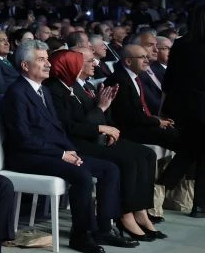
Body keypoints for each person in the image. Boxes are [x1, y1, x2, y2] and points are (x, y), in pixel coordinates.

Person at [0, 41, 133, 253]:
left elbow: (58, 130)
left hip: (50, 152)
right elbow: (22, 139)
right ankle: (81, 236)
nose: (48, 64)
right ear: (25, 66)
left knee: (109, 169)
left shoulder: (41, 90)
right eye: (41, 60)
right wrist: (61, 154)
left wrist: (71, 152)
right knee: (81, 175)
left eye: (47, 59)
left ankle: (104, 229)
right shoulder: (17, 93)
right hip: (26, 156)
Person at [45, 48, 163, 240]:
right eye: (89, 61)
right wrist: (101, 120)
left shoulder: (81, 86)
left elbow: (99, 115)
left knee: (147, 155)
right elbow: (71, 126)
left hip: (92, 136)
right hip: (77, 142)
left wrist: (106, 121)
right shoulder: (56, 89)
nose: (96, 64)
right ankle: (124, 216)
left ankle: (139, 210)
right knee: (126, 161)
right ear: (73, 65)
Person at [161, 7, 205, 216]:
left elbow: (169, 79)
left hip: (181, 105)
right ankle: (199, 204)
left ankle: (161, 186)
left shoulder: (180, 43)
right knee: (197, 150)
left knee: (191, 149)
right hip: (201, 105)